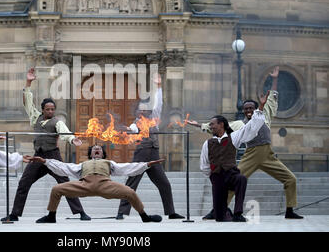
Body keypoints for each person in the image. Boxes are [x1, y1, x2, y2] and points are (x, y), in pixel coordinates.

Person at [191, 66, 303, 220]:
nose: (248, 110)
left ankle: (290, 210)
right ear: (243, 111)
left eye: (251, 108)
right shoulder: (239, 124)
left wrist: (275, 79)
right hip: (252, 155)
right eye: (245, 109)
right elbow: (220, 127)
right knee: (234, 182)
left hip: (268, 155)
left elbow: (272, 97)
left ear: (256, 108)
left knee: (291, 179)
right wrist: (199, 125)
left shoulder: (265, 116)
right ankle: (217, 210)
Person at [1, 68, 91, 222]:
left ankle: (81, 213)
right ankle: (15, 214)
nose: (50, 111)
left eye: (52, 109)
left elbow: (64, 132)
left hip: (53, 156)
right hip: (38, 157)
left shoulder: (57, 122)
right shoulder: (35, 117)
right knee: (24, 182)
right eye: (48, 109)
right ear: (42, 110)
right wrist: (28, 82)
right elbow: (27, 102)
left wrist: (71, 139)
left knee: (65, 183)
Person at [30, 145, 164, 223]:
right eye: (94, 149)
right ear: (91, 153)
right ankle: (51, 216)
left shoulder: (109, 163)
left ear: (103, 153)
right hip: (84, 186)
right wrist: (45, 161)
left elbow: (127, 168)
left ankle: (144, 216)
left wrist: (146, 165)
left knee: (130, 192)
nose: (97, 149)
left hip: (105, 186)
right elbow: (64, 167)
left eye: (99, 148)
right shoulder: (83, 164)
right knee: (56, 189)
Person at [116, 74, 184, 220]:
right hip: (141, 156)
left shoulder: (154, 120)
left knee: (164, 184)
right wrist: (125, 130)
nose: (142, 112)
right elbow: (132, 130)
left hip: (154, 156)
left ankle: (171, 212)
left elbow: (158, 104)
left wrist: (159, 87)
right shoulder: (136, 123)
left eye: (145, 109)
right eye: (140, 110)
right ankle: (121, 212)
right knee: (131, 184)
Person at [200, 93, 267, 222]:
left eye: (213, 124)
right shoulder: (207, 144)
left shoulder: (234, 137)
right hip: (217, 177)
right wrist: (213, 177)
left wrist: (261, 107)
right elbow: (204, 165)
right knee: (220, 218)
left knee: (241, 179)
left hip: (231, 174)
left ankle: (238, 213)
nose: (211, 126)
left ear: (221, 125)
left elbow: (250, 128)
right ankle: (225, 211)